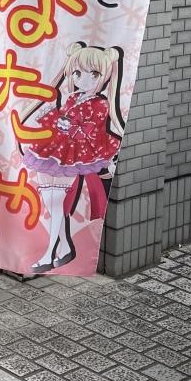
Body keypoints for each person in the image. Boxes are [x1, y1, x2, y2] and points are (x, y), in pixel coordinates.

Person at [18, 41, 125, 273]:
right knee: (50, 200)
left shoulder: (100, 103)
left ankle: (49, 252)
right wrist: (51, 117)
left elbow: (88, 131)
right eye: (77, 73)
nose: (83, 79)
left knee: (56, 201)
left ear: (104, 76)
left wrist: (64, 124)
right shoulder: (72, 98)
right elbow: (62, 121)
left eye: (93, 74)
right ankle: (65, 246)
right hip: (55, 150)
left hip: (75, 154)